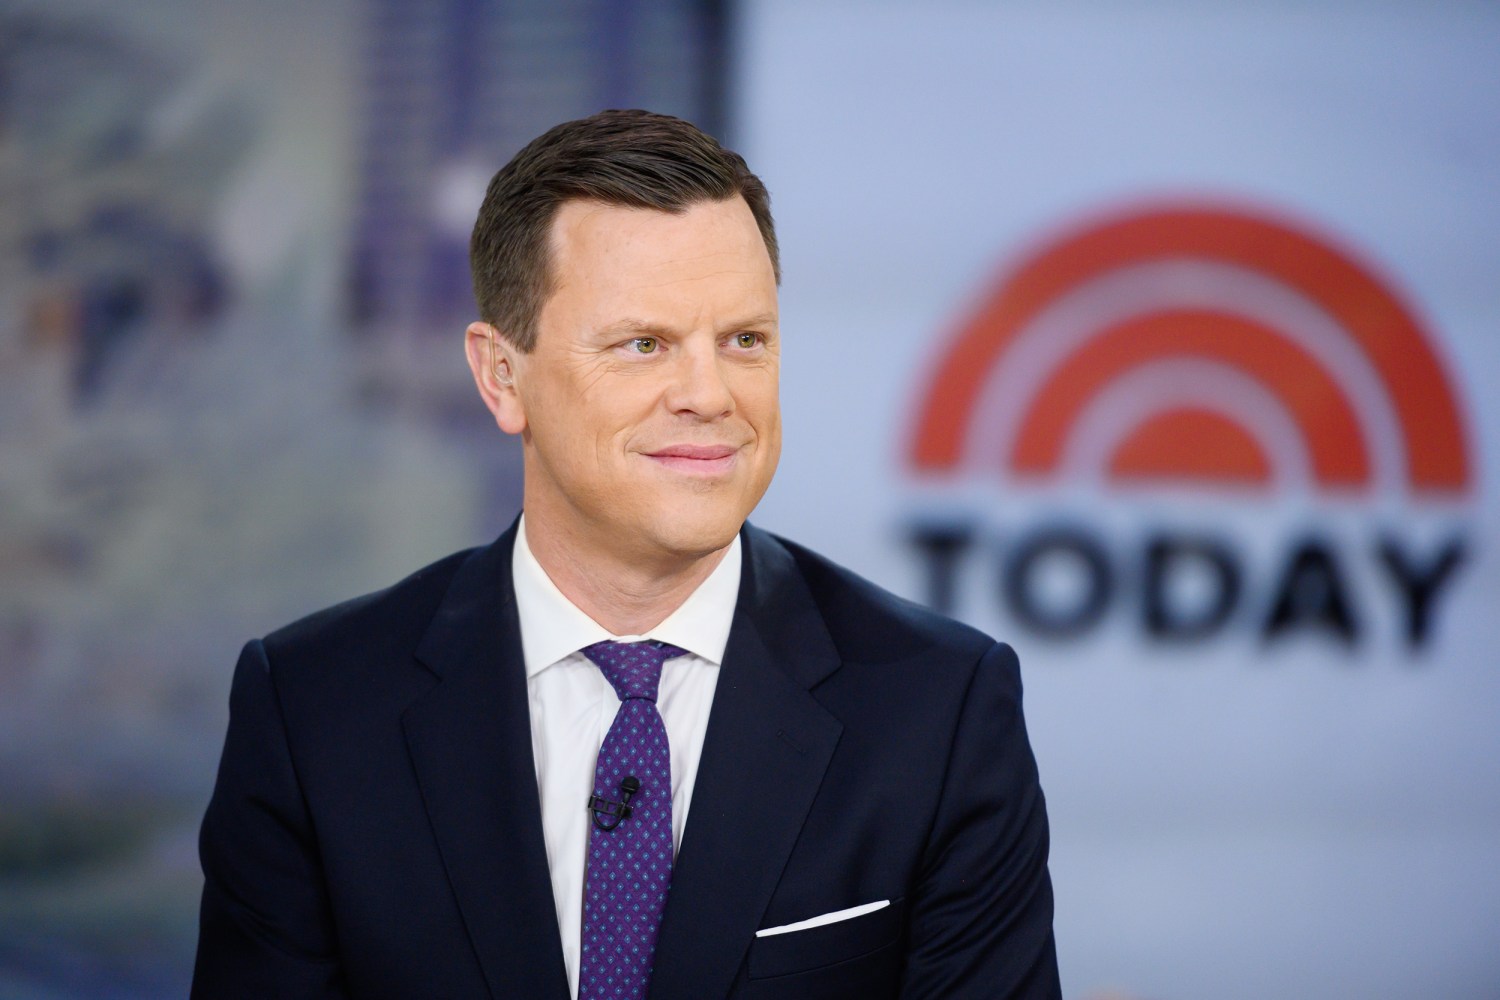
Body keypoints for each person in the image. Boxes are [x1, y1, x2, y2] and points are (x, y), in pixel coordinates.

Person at [192, 109, 1059, 999]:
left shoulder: (938, 710)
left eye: (745, 341)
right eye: (644, 345)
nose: (709, 395)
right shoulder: (314, 712)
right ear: (501, 375)